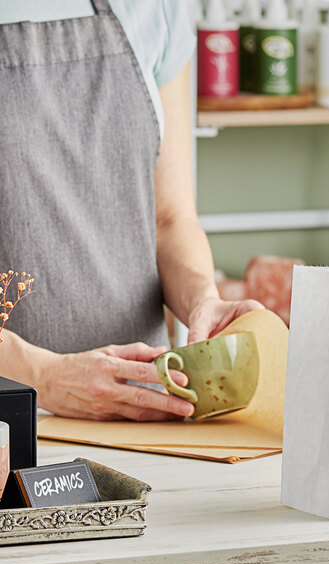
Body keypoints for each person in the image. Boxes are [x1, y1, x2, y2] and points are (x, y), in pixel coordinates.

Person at [0, 0, 262, 421]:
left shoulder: (157, 7)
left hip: (139, 410)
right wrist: (41, 376)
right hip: (8, 421)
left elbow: (170, 219)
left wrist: (202, 301)